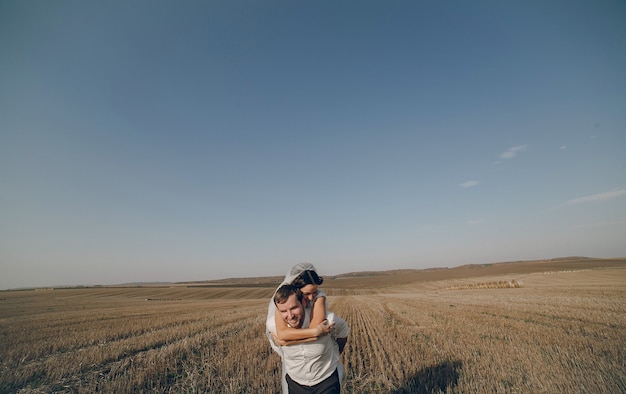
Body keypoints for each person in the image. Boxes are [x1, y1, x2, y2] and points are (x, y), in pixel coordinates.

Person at [266, 263, 346, 393]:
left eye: (314, 292)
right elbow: (282, 334)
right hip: (296, 382)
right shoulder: (277, 317)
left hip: (326, 380)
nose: (311, 298)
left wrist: (335, 351)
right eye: (307, 294)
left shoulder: (324, 311)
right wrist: (314, 333)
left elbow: (342, 332)